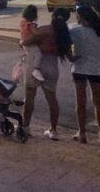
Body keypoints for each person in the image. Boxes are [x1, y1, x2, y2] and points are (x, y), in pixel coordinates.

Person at [21, 8, 72, 140]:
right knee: (52, 99)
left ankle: (26, 127)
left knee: (30, 97)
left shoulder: (44, 30)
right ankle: (53, 130)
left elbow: (26, 42)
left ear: (53, 16)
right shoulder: (64, 33)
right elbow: (70, 56)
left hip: (36, 64)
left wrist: (22, 43)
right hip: (52, 65)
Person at [68, 5, 100, 144]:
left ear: (80, 16)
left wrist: (70, 57)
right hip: (97, 69)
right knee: (97, 102)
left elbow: (64, 42)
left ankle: (82, 133)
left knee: (80, 102)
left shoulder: (74, 30)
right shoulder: (98, 30)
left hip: (79, 68)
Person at [20, 5, 44, 82]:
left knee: (30, 53)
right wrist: (40, 32)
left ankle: (25, 58)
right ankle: (36, 69)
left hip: (23, 41)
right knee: (39, 54)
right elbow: (36, 33)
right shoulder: (32, 25)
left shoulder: (22, 22)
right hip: (29, 43)